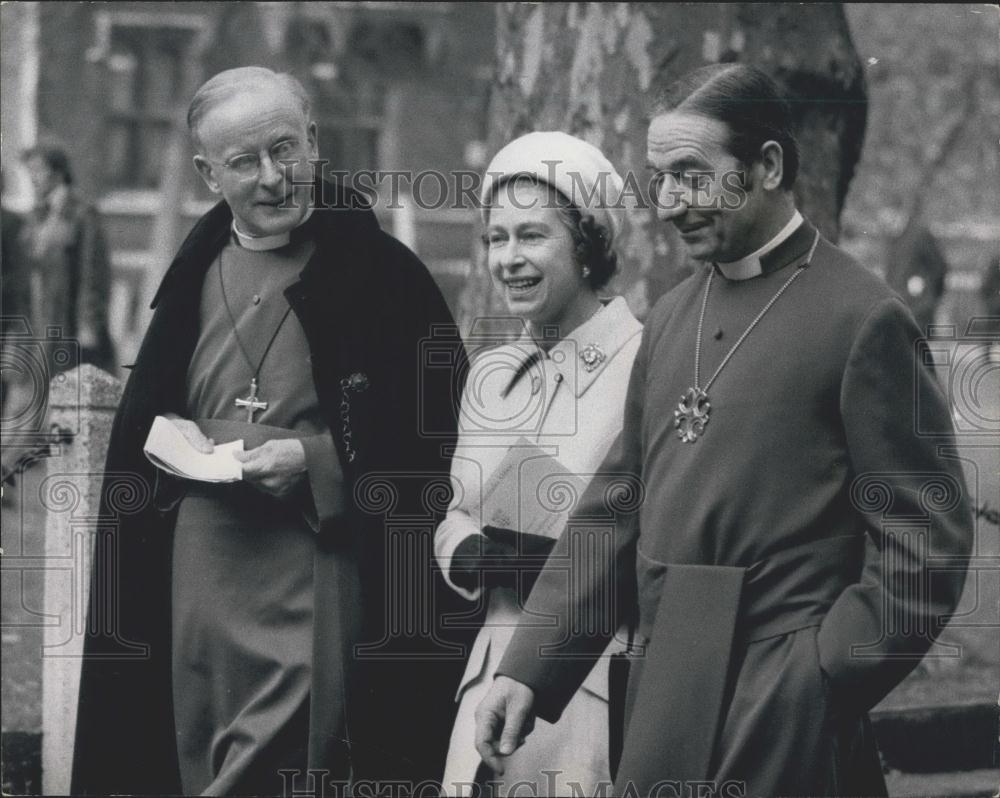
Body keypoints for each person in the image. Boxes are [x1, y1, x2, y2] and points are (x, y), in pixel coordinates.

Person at [474, 63, 972, 796]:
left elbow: (926, 543)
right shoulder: (674, 313)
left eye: (692, 176)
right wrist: (528, 667)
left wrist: (822, 673)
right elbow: (617, 506)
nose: (670, 202)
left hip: (783, 703)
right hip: (661, 693)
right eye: (660, 178)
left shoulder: (862, 319)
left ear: (767, 165)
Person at [71, 66, 468, 796]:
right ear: (206, 172)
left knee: (285, 765)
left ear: (315, 140)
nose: (273, 178)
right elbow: (146, 437)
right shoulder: (190, 277)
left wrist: (320, 464)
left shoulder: (385, 276)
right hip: (194, 574)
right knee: (189, 755)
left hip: (314, 568)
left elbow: (439, 445)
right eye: (244, 162)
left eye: (285, 149)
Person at [435, 132, 642, 796]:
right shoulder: (494, 376)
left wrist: (546, 558)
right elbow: (455, 513)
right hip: (487, 675)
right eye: (497, 239)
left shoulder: (646, 365)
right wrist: (471, 556)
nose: (508, 259)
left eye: (531, 236)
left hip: (587, 687)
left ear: (587, 244)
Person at [19, 143, 115, 371]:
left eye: (38, 171)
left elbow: (92, 271)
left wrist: (88, 324)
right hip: (38, 321)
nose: (32, 178)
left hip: (68, 321)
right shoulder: (36, 215)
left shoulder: (81, 213)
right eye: (29, 171)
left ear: (58, 173)